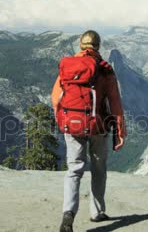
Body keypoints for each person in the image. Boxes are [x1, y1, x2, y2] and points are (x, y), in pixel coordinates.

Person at [51, 30, 126, 232]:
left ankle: (68, 214)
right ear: (98, 46)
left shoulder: (67, 66)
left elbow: (56, 97)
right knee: (98, 169)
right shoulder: (105, 69)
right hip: (98, 127)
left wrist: (64, 120)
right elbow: (115, 103)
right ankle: (97, 212)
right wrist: (121, 130)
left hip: (72, 125)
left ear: (81, 45)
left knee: (74, 169)